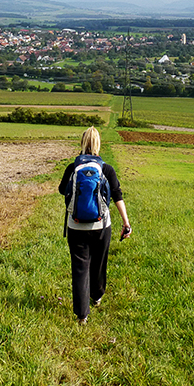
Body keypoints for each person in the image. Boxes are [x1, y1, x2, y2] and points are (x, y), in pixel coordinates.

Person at [59, 126, 131, 325]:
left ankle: (82, 315)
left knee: (80, 268)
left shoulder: (72, 167)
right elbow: (117, 195)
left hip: (76, 226)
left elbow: (61, 190)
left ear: (82, 143)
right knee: (99, 263)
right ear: (99, 144)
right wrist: (126, 223)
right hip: (101, 226)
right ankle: (97, 295)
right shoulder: (106, 168)